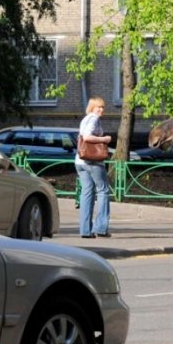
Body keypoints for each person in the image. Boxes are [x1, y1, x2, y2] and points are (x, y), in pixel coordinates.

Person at [75, 96, 112, 238]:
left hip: (80, 161)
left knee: (87, 193)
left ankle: (85, 230)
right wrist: (105, 139)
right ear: (92, 108)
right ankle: (101, 228)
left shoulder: (85, 119)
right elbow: (87, 137)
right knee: (103, 191)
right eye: (99, 107)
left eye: (103, 107)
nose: (101, 110)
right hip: (93, 162)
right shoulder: (94, 118)